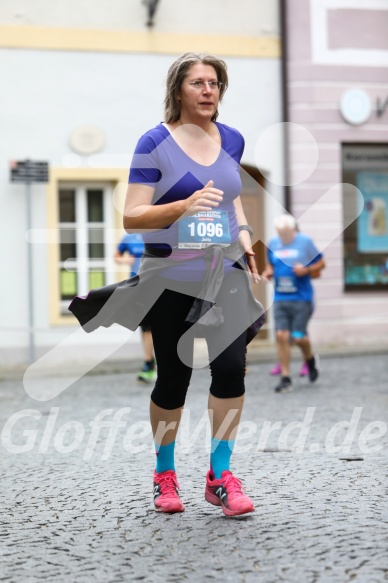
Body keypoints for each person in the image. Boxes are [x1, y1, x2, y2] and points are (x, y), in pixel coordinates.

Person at [70, 52, 265, 516]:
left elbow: (231, 200)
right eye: (198, 82)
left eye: (215, 83)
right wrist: (182, 206)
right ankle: (165, 474)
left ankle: (220, 476)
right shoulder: (155, 143)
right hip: (171, 275)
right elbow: (132, 216)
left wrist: (242, 234)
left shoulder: (232, 139)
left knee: (232, 370)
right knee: (173, 380)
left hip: (224, 272)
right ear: (179, 89)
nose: (208, 90)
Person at [262, 214, 325, 393]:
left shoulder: (305, 242)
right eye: (280, 233)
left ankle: (310, 359)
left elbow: (321, 263)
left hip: (301, 298)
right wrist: (268, 272)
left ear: (293, 230)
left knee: (297, 337)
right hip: (281, 297)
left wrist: (307, 269)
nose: (283, 237)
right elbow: (270, 265)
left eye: (287, 233)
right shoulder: (273, 244)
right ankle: (286, 377)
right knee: (282, 335)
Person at [114, 233, 156, 383]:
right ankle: (149, 361)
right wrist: (125, 260)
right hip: (137, 285)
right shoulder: (129, 238)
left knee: (151, 326)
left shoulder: (159, 232)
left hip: (156, 283)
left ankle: (149, 362)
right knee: (144, 326)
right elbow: (117, 255)